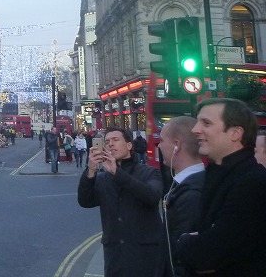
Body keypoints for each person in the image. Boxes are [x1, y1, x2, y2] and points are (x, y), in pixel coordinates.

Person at [173, 98, 266, 276]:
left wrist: (185, 242)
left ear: (235, 133)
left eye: (206, 123)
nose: (195, 130)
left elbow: (207, 255)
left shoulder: (252, 183)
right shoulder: (217, 174)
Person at [77, 127, 162, 277]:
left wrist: (117, 172)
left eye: (115, 140)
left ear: (129, 146)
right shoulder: (103, 178)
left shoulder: (149, 172)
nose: (110, 144)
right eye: (107, 141)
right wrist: (91, 170)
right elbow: (85, 200)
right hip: (115, 257)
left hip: (144, 256)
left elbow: (152, 196)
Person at [157, 116, 204, 277]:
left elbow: (180, 257)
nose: (159, 145)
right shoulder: (192, 183)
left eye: (162, 140)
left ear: (176, 145)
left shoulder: (191, 194)